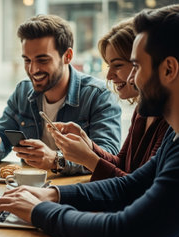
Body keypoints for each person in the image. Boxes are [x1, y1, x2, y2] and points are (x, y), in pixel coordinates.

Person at [0, 4, 179, 237]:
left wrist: (37, 210)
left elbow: (124, 231)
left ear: (169, 69)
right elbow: (129, 186)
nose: (131, 79)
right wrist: (51, 194)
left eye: (135, 66)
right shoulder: (175, 136)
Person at [0, 15, 121, 175]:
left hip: (75, 192)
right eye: (27, 60)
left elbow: (107, 156)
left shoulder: (98, 96)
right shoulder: (22, 92)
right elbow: (1, 139)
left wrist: (57, 160)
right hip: (29, 190)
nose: (33, 70)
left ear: (67, 56)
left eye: (42, 60)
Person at [47, 19, 168, 181]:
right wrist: (87, 143)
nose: (109, 76)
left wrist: (88, 159)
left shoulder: (170, 121)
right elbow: (122, 163)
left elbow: (138, 187)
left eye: (117, 65)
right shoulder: (142, 110)